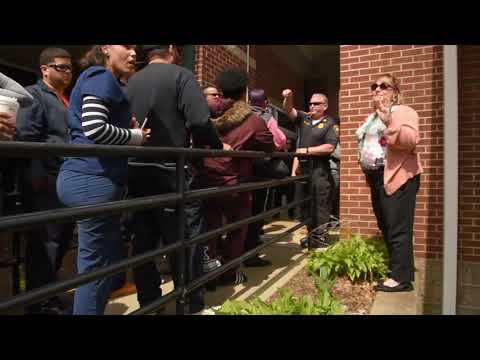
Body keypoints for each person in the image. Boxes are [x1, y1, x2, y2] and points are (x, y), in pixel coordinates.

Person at [125, 45, 226, 314]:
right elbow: (200, 121)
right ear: (170, 48)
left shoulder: (130, 79)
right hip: (172, 171)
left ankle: (150, 304)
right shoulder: (181, 75)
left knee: (144, 242)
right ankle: (190, 304)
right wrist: (217, 146)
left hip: (135, 170)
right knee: (186, 241)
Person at [56, 45, 150, 315]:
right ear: (106, 48)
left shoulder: (100, 79)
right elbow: (95, 128)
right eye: (127, 46)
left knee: (104, 262)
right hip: (91, 178)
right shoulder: (100, 77)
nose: (134, 53)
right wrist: (136, 136)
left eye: (136, 48)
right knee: (95, 267)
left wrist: (126, 130)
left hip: (92, 177)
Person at [194, 68, 274, 286]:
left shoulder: (203, 112)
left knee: (209, 230)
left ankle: (208, 275)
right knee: (236, 230)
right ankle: (229, 273)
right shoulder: (252, 120)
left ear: (220, 90)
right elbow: (270, 145)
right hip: (234, 184)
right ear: (243, 92)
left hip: (204, 181)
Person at [16, 47, 75, 314]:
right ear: (45, 70)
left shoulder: (66, 99)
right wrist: (37, 175)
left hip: (65, 180)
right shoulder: (34, 95)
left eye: (70, 68)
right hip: (45, 182)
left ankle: (49, 296)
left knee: (61, 240)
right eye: (62, 67)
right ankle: (38, 304)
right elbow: (27, 138)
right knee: (45, 244)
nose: (68, 72)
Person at [356, 74, 422, 292]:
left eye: (384, 86)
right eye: (373, 86)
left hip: (397, 175)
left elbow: (411, 141)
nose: (377, 89)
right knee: (385, 224)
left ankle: (402, 279)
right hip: (377, 177)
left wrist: (389, 122)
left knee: (398, 227)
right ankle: (398, 268)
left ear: (395, 91)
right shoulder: (372, 117)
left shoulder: (404, 112)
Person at [282, 89, 338, 248]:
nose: (312, 106)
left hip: (319, 170)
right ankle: (311, 235)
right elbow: (288, 110)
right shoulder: (304, 118)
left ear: (325, 106)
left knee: (320, 204)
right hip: (304, 170)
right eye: (311, 103)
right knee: (306, 204)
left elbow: (329, 147)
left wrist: (306, 151)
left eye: (316, 103)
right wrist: (288, 97)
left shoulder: (330, 123)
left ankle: (320, 239)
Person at [244, 88, 287, 267]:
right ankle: (251, 252)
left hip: (240, 168)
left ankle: (237, 248)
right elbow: (280, 141)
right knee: (256, 210)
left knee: (241, 210)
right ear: (265, 103)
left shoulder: (240, 115)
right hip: (259, 169)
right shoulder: (267, 117)